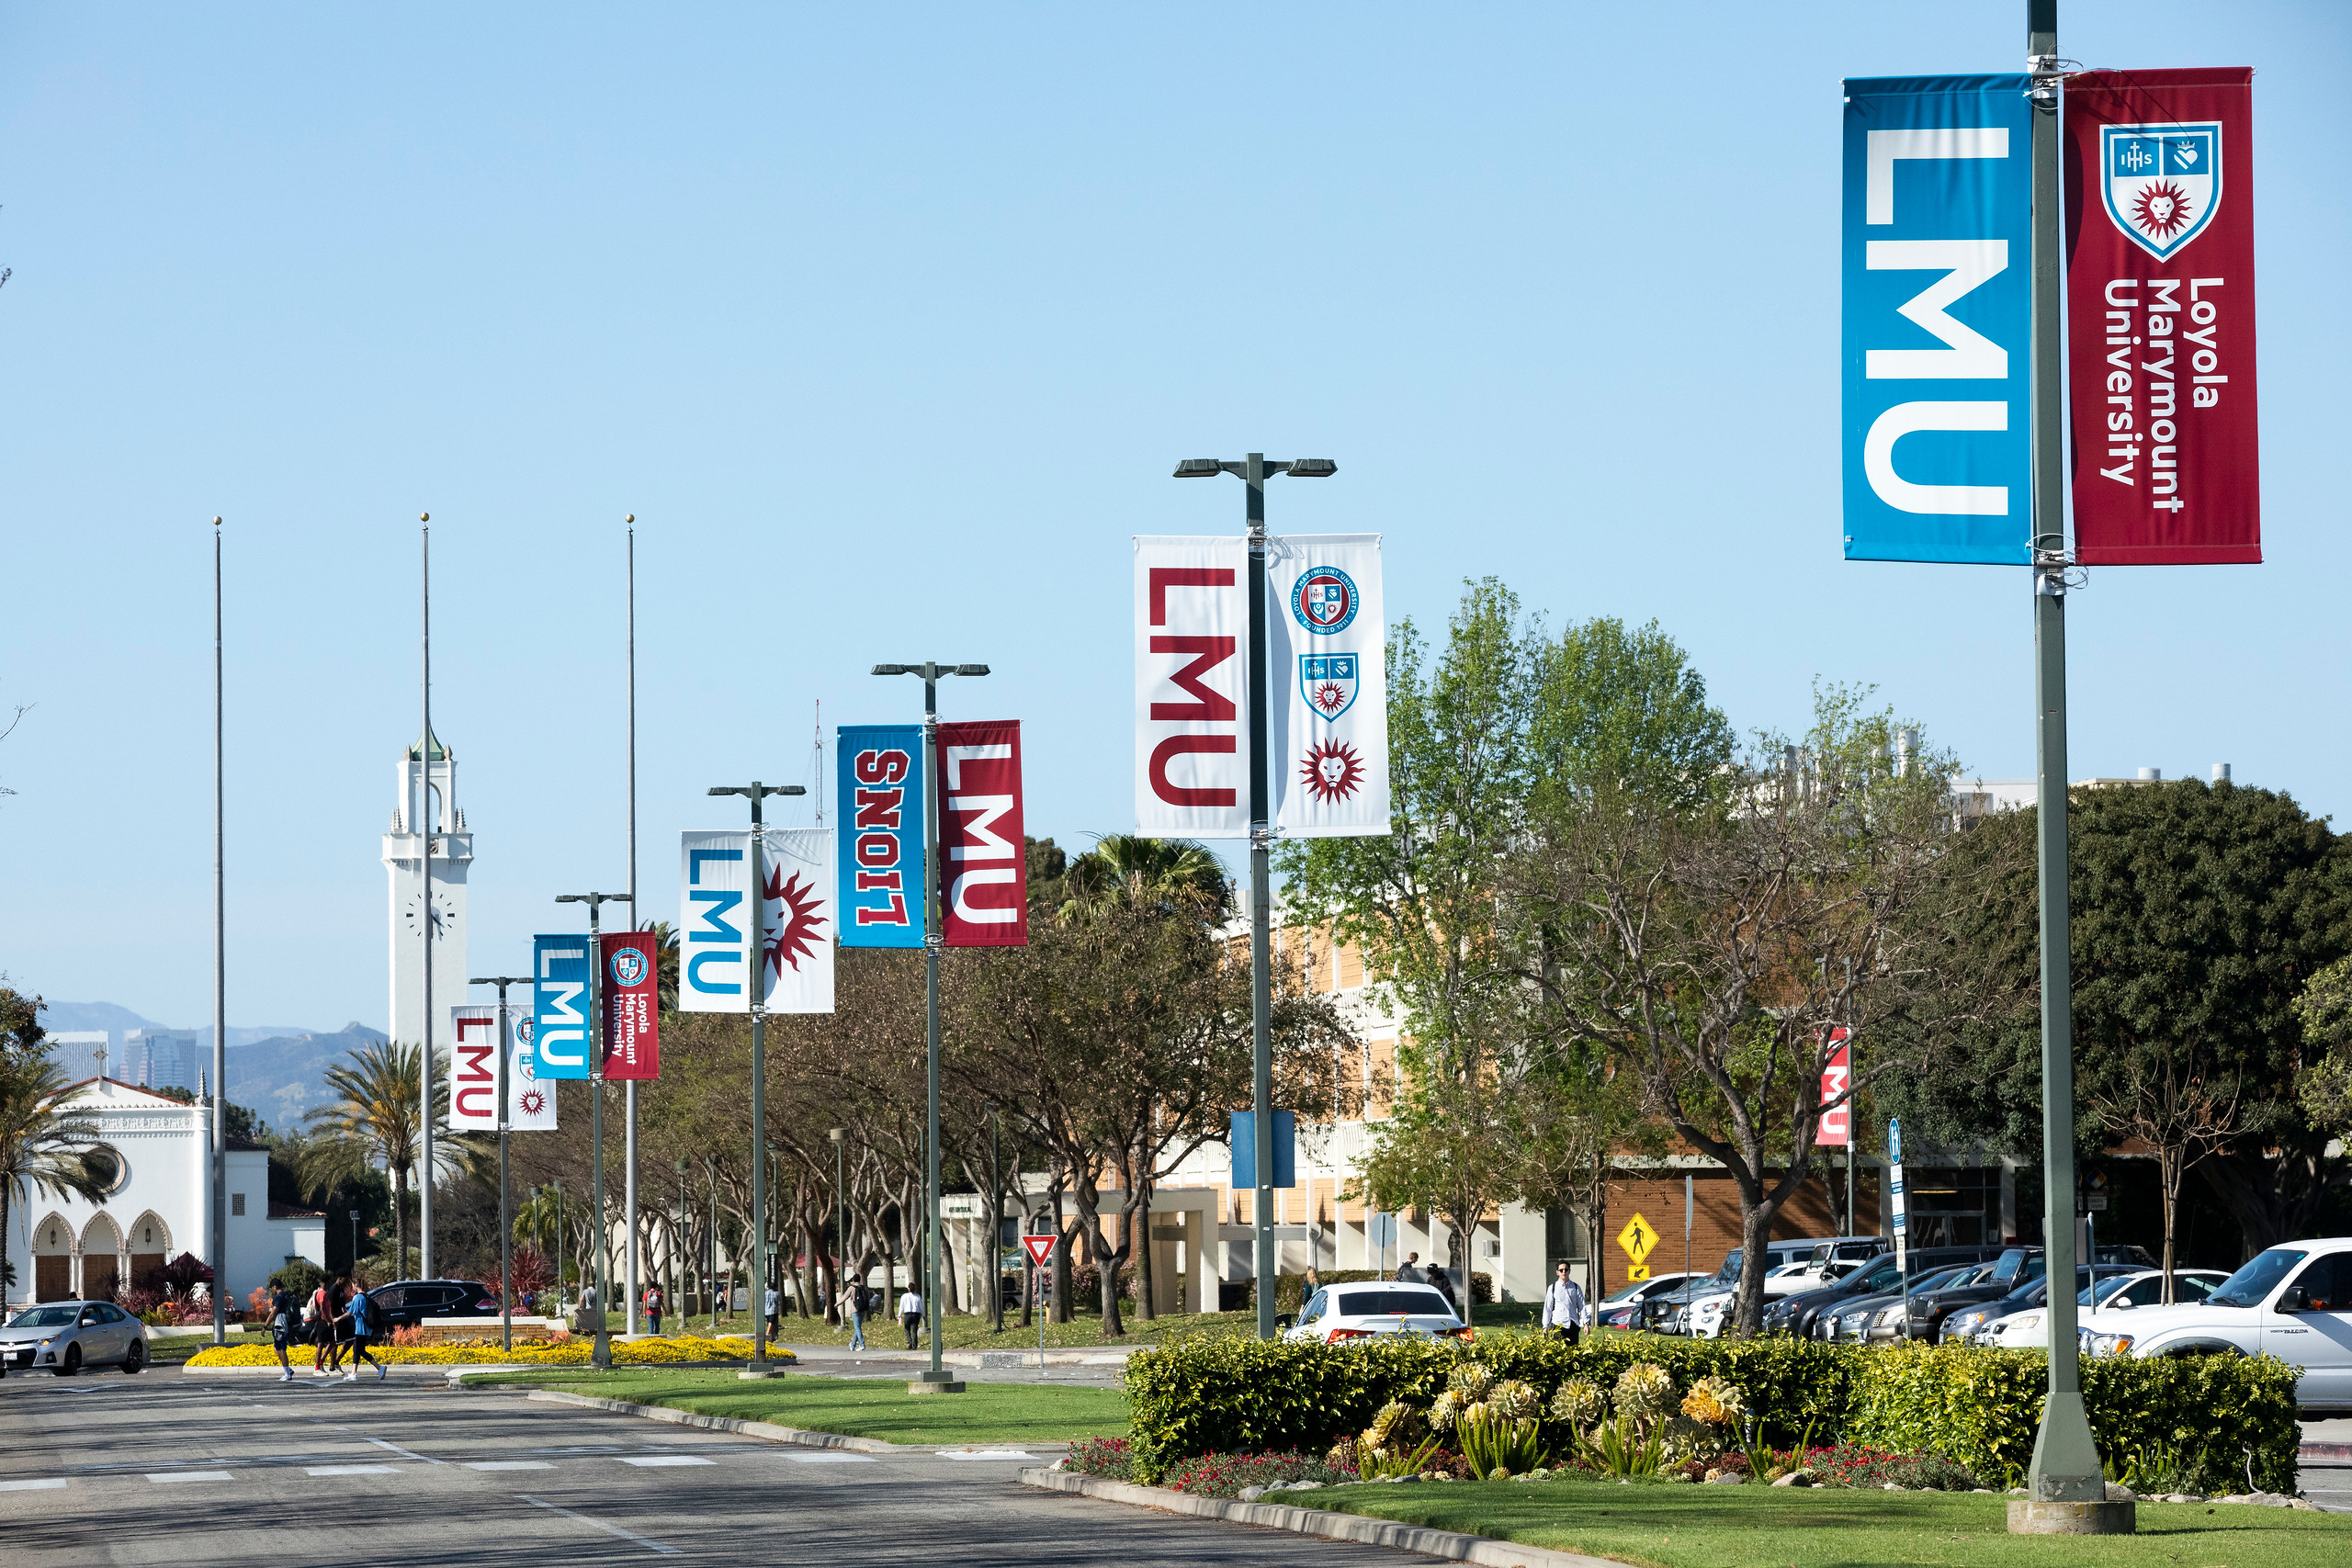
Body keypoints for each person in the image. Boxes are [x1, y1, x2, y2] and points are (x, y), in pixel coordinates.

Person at [343, 1283, 385, 1382]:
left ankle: (355, 1373)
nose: (352, 1287)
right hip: (366, 1328)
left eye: (352, 1284)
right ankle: (378, 1368)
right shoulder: (366, 1296)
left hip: (361, 1329)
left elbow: (351, 1313)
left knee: (357, 1349)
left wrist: (337, 1318)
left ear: (356, 1285)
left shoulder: (357, 1297)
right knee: (359, 1350)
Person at [1542, 1261, 1588, 1347]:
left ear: (1569, 1271)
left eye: (1566, 1270)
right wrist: (1545, 1327)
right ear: (1557, 1272)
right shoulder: (1552, 1288)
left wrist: (1585, 1324)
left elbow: (1582, 1306)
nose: (1564, 1272)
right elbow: (1548, 1308)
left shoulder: (1576, 1287)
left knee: (1573, 1353)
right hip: (1558, 1325)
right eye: (1561, 1270)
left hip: (1573, 1325)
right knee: (1559, 1352)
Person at [310, 1276, 342, 1374]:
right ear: (325, 1282)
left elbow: (329, 1309)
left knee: (332, 1342)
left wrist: (332, 1320)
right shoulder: (321, 1293)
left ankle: (321, 1362)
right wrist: (328, 1320)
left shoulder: (325, 1293)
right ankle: (317, 1368)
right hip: (322, 1322)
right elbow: (322, 1309)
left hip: (327, 1321)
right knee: (320, 1344)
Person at [268, 1281, 300, 1381]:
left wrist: (265, 1326)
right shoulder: (287, 1295)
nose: (272, 1290)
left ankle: (287, 1374)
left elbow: (273, 1313)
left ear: (275, 1286)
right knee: (276, 1348)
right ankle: (287, 1369)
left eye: (272, 1288)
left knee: (281, 1348)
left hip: (281, 1324)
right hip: (289, 1323)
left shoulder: (278, 1297)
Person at [836, 1277, 866, 1350]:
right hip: (862, 1310)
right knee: (858, 1327)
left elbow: (845, 1297)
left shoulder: (851, 1288)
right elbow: (867, 1297)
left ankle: (862, 1344)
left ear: (853, 1280)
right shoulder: (864, 1287)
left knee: (857, 1327)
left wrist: (837, 1304)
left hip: (855, 1310)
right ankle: (852, 1345)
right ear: (860, 1279)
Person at [898, 1285, 923, 1349]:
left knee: (907, 1329)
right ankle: (915, 1345)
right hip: (916, 1314)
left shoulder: (904, 1296)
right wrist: (923, 1315)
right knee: (914, 1330)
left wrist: (899, 1315)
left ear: (908, 1289)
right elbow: (921, 1307)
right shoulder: (917, 1296)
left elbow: (901, 1306)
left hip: (907, 1314)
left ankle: (910, 1341)